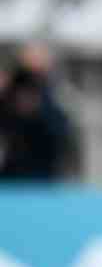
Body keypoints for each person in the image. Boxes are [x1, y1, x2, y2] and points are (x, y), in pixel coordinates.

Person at [0, 42, 74, 179]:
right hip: (11, 177)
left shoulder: (51, 105)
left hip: (43, 176)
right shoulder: (7, 100)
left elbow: (63, 136)